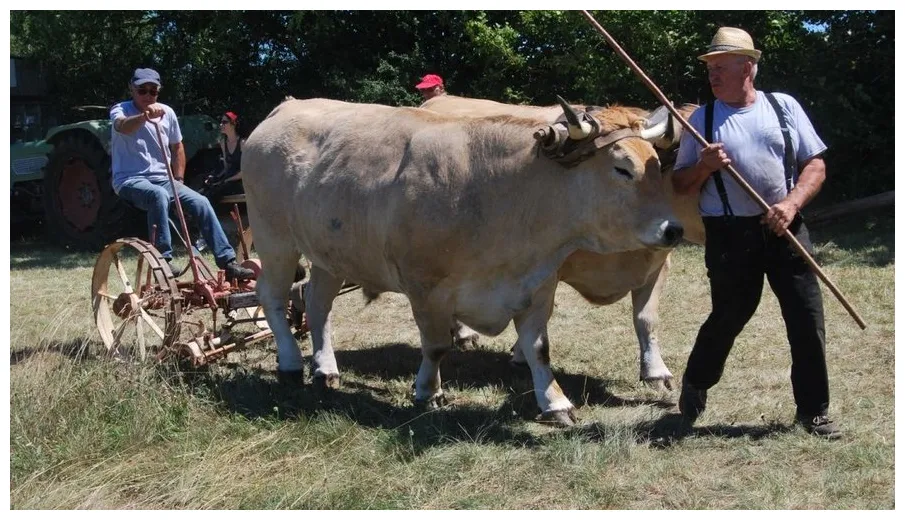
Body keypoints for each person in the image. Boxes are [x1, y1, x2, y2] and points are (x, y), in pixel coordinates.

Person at [672, 28, 839, 439]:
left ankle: (814, 411)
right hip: (729, 234)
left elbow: (814, 166)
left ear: (748, 65)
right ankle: (697, 381)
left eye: (720, 66)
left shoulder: (783, 107)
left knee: (806, 317)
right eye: (710, 67)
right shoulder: (701, 120)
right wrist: (704, 167)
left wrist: (791, 203)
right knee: (730, 315)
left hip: (786, 225)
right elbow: (679, 184)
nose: (712, 75)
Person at [109, 68, 254, 281]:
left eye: (153, 91)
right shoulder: (121, 110)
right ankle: (164, 260)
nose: (148, 95)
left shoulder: (167, 113)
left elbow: (177, 148)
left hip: (164, 180)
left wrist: (178, 180)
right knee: (158, 195)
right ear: (132, 88)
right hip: (129, 180)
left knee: (202, 201)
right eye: (142, 90)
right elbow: (122, 127)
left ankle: (228, 262)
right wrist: (144, 117)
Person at [202, 111, 245, 204]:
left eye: (224, 122)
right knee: (206, 185)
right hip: (228, 179)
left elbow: (245, 172)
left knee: (216, 191)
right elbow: (226, 168)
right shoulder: (223, 143)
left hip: (240, 181)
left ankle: (202, 214)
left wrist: (225, 180)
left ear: (233, 124)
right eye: (221, 122)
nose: (221, 124)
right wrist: (216, 177)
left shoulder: (242, 143)